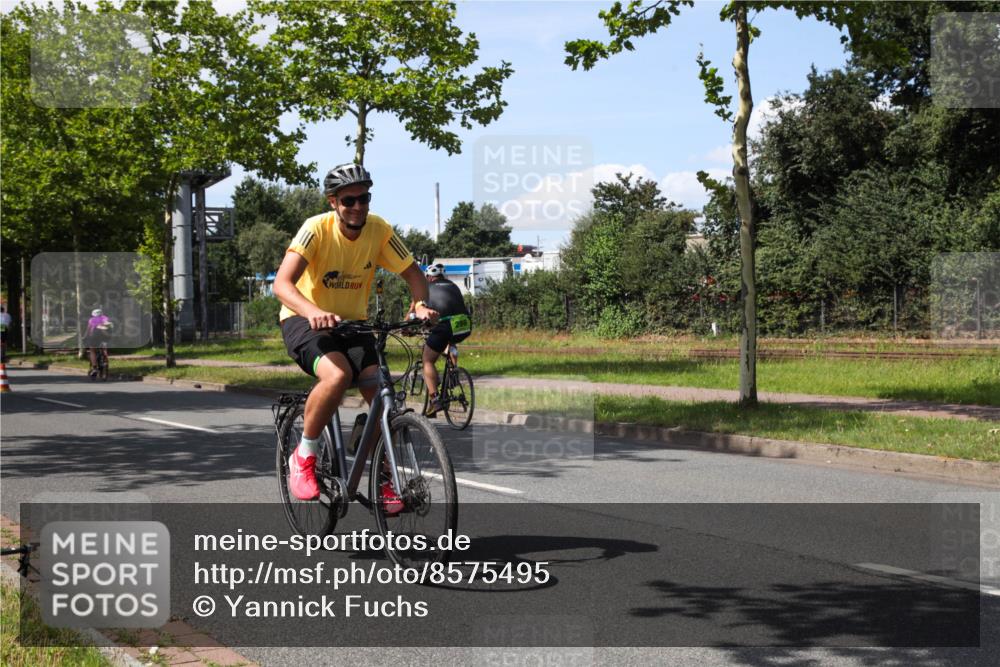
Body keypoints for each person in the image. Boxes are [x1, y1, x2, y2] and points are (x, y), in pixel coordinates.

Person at [273, 162, 439, 503]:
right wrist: (313, 311)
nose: (358, 206)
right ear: (333, 202)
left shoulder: (379, 230)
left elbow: (414, 275)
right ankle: (304, 456)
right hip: (303, 319)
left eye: (364, 198)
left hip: (353, 323)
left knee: (382, 393)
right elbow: (282, 284)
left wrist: (420, 305)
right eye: (349, 200)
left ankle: (385, 477)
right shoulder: (315, 229)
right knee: (337, 376)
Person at [410, 263, 473, 417]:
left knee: (427, 360)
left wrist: (408, 327)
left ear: (428, 277)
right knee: (448, 340)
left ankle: (435, 400)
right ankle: (452, 373)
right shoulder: (453, 286)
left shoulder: (425, 288)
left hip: (446, 326)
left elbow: (416, 311)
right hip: (465, 325)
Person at [84, 308, 113, 377]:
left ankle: (94, 368)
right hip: (105, 335)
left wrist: (85, 336)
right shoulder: (105, 317)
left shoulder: (91, 320)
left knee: (92, 350)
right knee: (104, 347)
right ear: (101, 313)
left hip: (95, 335)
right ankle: (105, 360)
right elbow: (108, 324)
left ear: (93, 314)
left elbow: (88, 330)